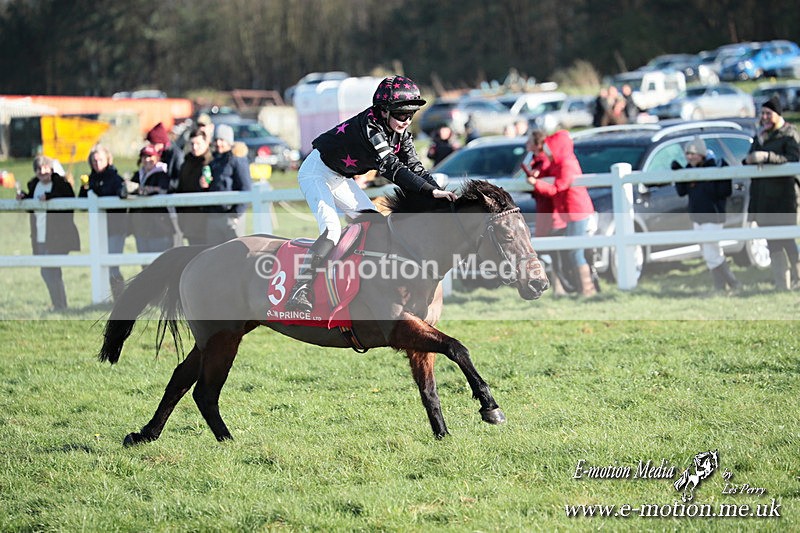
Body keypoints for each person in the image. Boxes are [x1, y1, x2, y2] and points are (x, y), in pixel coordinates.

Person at [286, 75, 458, 312]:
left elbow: (416, 169)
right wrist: (429, 191)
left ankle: (365, 283)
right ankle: (300, 288)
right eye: (400, 114)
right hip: (316, 172)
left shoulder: (400, 134)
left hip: (339, 177)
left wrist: (439, 192)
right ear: (383, 111)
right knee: (332, 229)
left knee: (374, 223)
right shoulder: (371, 126)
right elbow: (392, 168)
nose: (406, 120)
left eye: (410, 114)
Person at [521, 129, 597, 297]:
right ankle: (582, 290)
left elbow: (557, 188)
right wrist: (537, 175)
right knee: (571, 251)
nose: (547, 150)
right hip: (570, 214)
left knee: (574, 251)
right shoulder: (559, 163)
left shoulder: (567, 164)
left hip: (577, 212)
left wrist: (536, 183)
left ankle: (587, 290)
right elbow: (548, 173)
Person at [743, 95, 800, 290]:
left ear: (778, 114)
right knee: (772, 241)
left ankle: (799, 278)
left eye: (768, 113)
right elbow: (749, 157)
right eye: (763, 114)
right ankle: (781, 284)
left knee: (787, 239)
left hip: (784, 198)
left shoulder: (789, 134)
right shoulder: (761, 135)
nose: (765, 117)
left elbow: (793, 158)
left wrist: (768, 156)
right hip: (762, 198)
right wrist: (751, 158)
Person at [671, 136, 739, 292]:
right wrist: (678, 175)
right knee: (709, 252)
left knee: (711, 253)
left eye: (693, 153)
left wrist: (705, 181)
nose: (689, 157)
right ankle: (723, 287)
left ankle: (731, 284)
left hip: (713, 216)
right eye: (687, 154)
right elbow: (682, 192)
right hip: (697, 217)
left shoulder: (716, 166)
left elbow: (724, 191)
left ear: (701, 154)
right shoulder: (689, 169)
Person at [17, 155, 80, 310]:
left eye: (45, 167)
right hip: (39, 236)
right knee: (46, 272)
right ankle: (58, 304)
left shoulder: (60, 183)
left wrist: (50, 197)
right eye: (38, 169)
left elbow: (70, 198)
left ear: (51, 169)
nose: (42, 171)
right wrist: (24, 197)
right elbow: (32, 205)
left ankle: (61, 305)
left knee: (51, 270)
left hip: (57, 237)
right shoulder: (34, 185)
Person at [79, 144, 129, 299]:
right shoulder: (90, 180)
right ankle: (103, 298)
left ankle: (120, 299)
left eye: (100, 159)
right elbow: (82, 204)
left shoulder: (115, 179)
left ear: (108, 159)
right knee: (100, 265)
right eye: (94, 161)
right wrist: (85, 188)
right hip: (97, 231)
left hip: (115, 229)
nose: (97, 163)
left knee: (112, 266)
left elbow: (121, 205)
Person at [522, 130, 567, 296]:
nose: (526, 142)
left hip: (549, 210)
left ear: (538, 143)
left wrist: (536, 178)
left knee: (552, 251)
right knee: (548, 251)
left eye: (530, 140)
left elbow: (548, 179)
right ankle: (555, 286)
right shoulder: (535, 159)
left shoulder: (544, 160)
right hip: (543, 209)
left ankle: (558, 287)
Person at [200, 123, 252, 244]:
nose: (218, 143)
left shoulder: (237, 159)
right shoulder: (213, 160)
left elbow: (246, 187)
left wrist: (236, 214)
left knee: (234, 254)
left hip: (231, 216)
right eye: (216, 140)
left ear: (229, 141)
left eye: (222, 140)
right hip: (214, 216)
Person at [130, 145, 174, 254]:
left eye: (150, 156)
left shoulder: (162, 174)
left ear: (157, 158)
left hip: (159, 226)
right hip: (141, 226)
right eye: (144, 157)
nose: (147, 160)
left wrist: (144, 190)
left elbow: (164, 189)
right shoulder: (137, 175)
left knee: (160, 261)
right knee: (144, 262)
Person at [176, 127, 213, 245]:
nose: (195, 147)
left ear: (206, 143)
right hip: (190, 219)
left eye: (198, 143)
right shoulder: (186, 163)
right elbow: (181, 188)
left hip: (208, 220)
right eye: (192, 144)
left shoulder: (212, 162)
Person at [146, 122, 184, 191]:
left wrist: (160, 187)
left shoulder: (176, 155)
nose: (152, 147)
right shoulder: (161, 154)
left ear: (161, 142)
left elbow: (180, 180)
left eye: (154, 143)